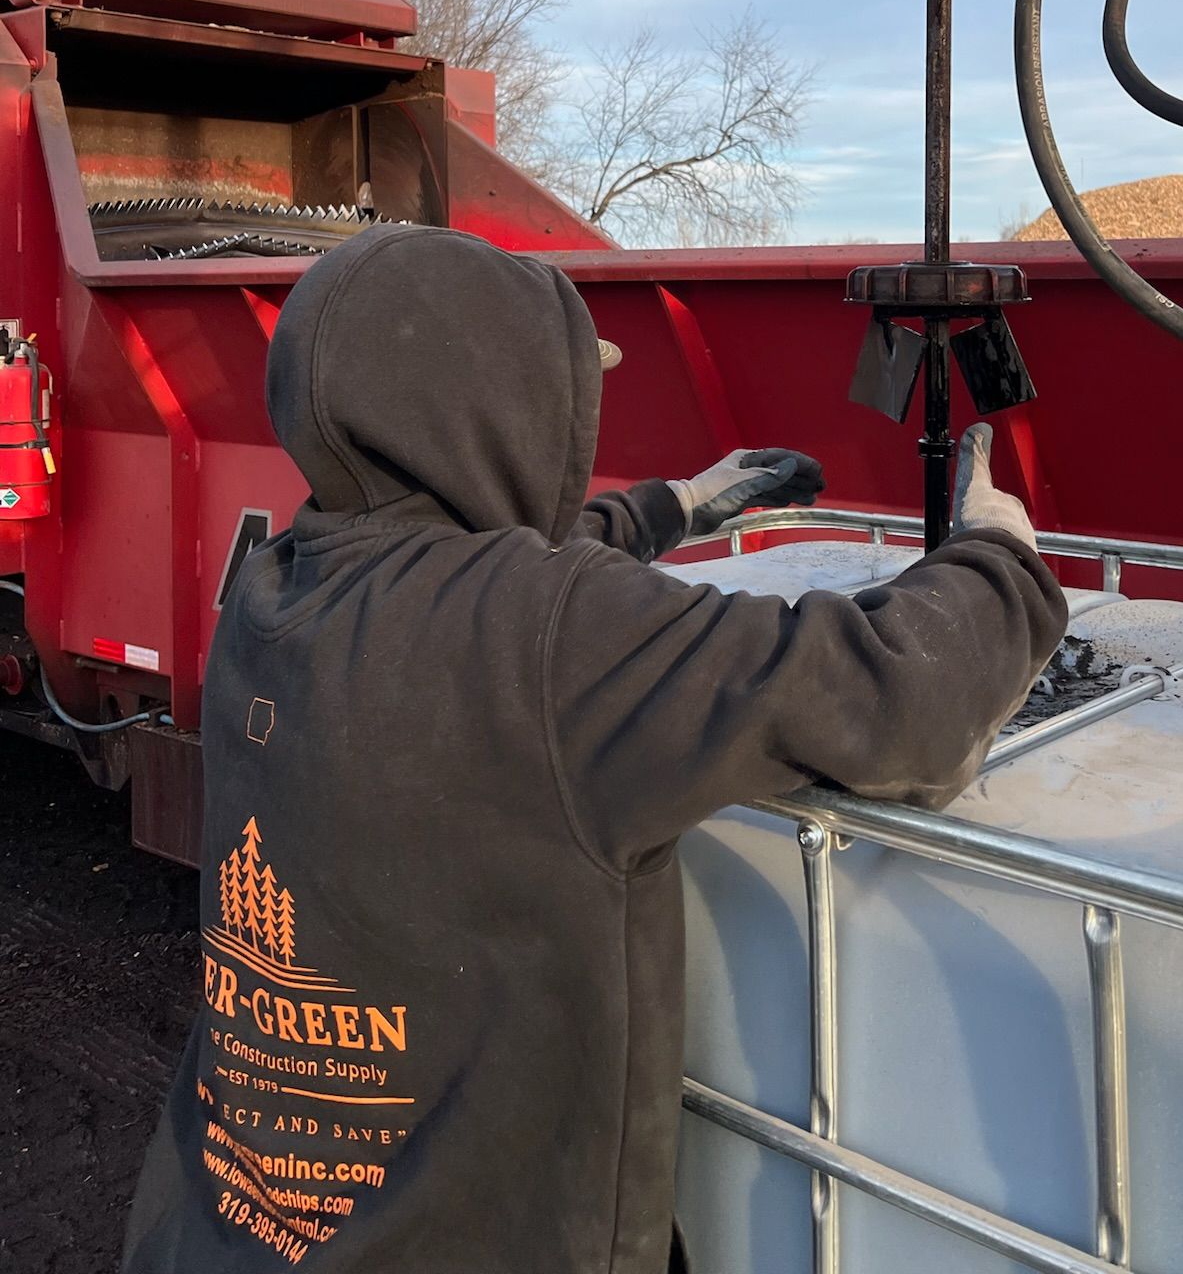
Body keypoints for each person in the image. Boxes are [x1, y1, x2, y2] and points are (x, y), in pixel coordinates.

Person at [124, 225, 1068, 1274]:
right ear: (485, 408)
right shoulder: (549, 637)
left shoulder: (276, 587)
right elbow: (900, 694)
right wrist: (999, 559)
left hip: (228, 1232)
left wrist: (678, 503)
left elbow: (477, 572)